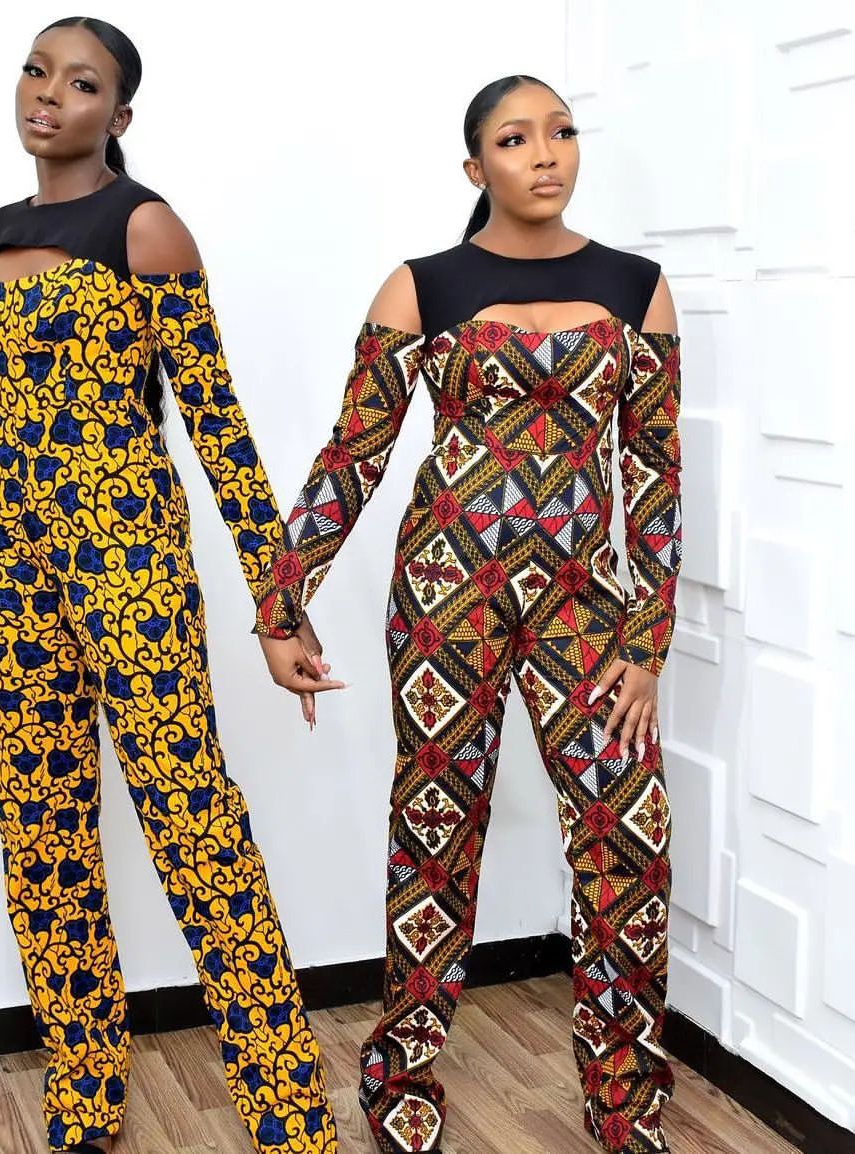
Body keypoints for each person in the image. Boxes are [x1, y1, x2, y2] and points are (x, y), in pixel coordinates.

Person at [0, 17, 340, 1154]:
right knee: (43, 846)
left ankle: (290, 1115)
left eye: (81, 82)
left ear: (120, 113)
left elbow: (218, 428)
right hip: (9, 582)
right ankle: (85, 1101)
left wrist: (277, 608)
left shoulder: (145, 227)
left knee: (196, 828)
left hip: (130, 570)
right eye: (36, 70)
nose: (48, 94)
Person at [255, 75, 682, 1154]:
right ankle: (401, 1080)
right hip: (447, 601)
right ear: (474, 165)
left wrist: (647, 642)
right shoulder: (423, 285)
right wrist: (281, 605)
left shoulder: (637, 288)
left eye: (562, 132)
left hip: (589, 612)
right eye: (515, 137)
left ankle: (627, 1104)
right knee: (436, 833)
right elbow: (352, 458)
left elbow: (658, 475)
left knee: (630, 842)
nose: (546, 154)